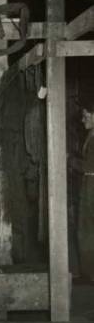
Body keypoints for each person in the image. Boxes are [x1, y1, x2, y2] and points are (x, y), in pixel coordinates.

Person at [70, 105, 94, 281]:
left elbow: (89, 166)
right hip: (88, 184)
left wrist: (69, 160)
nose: (83, 119)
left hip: (91, 185)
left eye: (86, 116)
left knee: (86, 229)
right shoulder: (90, 136)